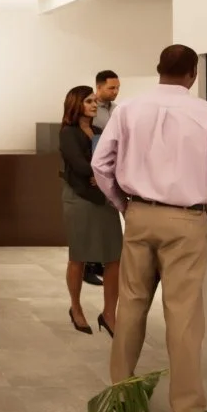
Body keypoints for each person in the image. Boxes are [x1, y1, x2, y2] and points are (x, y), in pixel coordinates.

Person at [91, 44, 207, 412]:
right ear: (193, 73)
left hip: (138, 214)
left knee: (131, 305)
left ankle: (121, 398)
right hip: (186, 219)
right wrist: (205, 182)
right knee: (183, 315)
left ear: (158, 68)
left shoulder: (128, 109)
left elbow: (100, 164)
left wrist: (123, 203)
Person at [58, 86, 123, 337]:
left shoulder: (98, 132)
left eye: (95, 101)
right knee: (79, 256)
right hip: (79, 199)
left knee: (114, 257)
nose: (95, 105)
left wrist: (101, 175)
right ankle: (75, 308)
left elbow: (108, 162)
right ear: (76, 104)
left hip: (103, 198)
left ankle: (109, 313)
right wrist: (98, 173)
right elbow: (80, 166)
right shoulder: (68, 133)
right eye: (89, 101)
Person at [85, 69, 120, 286]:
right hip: (94, 168)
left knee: (107, 219)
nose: (115, 92)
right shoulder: (90, 110)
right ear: (99, 87)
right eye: (111, 88)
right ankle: (89, 263)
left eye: (117, 88)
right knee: (94, 219)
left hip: (111, 169)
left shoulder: (117, 110)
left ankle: (100, 261)